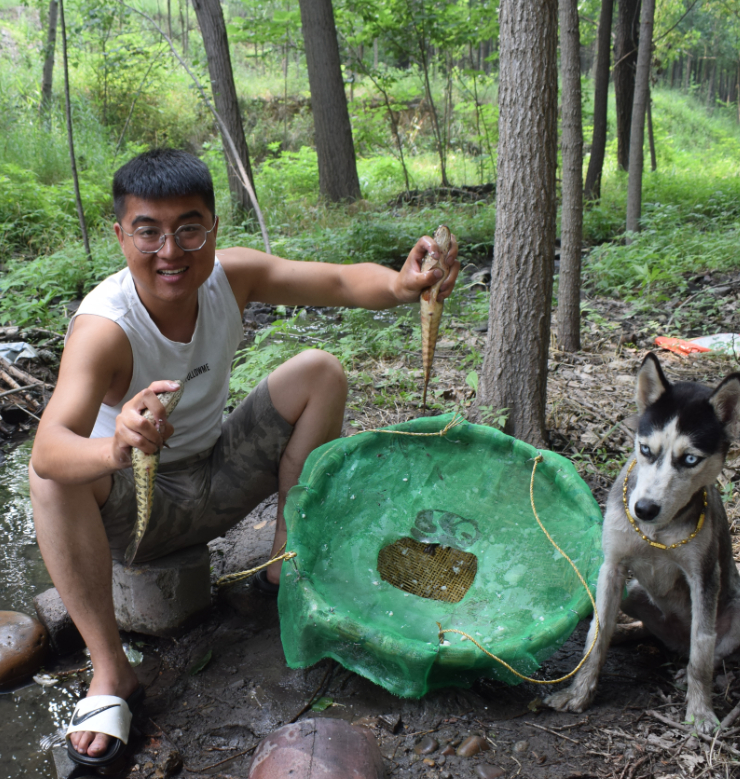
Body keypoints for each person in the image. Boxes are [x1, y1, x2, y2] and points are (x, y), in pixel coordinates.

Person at [28, 148, 459, 767]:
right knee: (49, 482)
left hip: (214, 481)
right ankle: (110, 669)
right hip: (135, 510)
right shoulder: (106, 325)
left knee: (320, 371)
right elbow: (48, 448)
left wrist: (401, 283)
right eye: (148, 231)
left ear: (212, 230)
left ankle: (286, 561)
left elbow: (337, 282)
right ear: (121, 234)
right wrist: (116, 445)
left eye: (188, 229)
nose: (170, 251)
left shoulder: (231, 277)